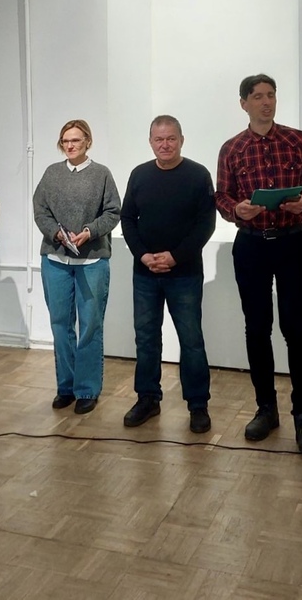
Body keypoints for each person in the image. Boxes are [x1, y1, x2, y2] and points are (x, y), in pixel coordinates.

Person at [215, 74, 302, 455]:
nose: (266, 102)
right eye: (258, 96)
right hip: (251, 244)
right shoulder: (232, 148)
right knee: (257, 328)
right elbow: (222, 196)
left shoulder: (299, 140)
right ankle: (266, 409)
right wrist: (236, 209)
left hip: (293, 242)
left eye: (271, 95)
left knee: (297, 329)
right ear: (244, 103)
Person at [121, 115, 216, 434]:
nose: (165, 144)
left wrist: (175, 257)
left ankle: (198, 405)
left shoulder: (198, 175)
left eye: (171, 138)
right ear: (150, 142)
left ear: (182, 140)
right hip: (145, 272)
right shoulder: (139, 174)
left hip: (184, 272)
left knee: (191, 340)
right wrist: (144, 255)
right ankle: (148, 398)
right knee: (146, 338)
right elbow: (127, 219)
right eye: (159, 139)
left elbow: (206, 224)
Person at [33, 120, 121, 414]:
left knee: (90, 326)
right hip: (56, 260)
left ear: (87, 142)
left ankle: (87, 389)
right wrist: (56, 234)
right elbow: (40, 210)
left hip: (92, 260)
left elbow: (113, 212)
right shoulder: (51, 173)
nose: (70, 145)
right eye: (65, 141)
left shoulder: (101, 174)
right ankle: (66, 387)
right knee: (60, 325)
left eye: (76, 140)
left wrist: (89, 231)